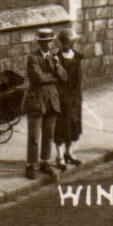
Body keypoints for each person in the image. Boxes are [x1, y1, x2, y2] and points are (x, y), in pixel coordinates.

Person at [24, 27, 66, 179]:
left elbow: (65, 76)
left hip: (52, 101)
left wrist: (56, 66)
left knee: (48, 134)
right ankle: (31, 165)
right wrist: (54, 77)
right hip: (37, 101)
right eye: (45, 42)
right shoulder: (33, 58)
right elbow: (38, 78)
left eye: (50, 42)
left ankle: (44, 161)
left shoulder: (54, 58)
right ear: (40, 44)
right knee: (34, 136)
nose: (48, 45)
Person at [54, 29, 84, 168]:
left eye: (71, 42)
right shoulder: (57, 59)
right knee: (61, 127)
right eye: (67, 42)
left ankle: (69, 153)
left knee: (74, 125)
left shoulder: (76, 56)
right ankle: (59, 157)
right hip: (62, 97)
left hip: (75, 97)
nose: (70, 45)